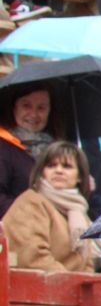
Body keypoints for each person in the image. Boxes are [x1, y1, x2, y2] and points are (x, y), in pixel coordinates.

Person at [2, 141, 101, 272]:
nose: (58, 170)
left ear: (80, 176)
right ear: (42, 173)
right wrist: (69, 285)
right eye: (51, 166)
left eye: (67, 166)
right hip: (36, 287)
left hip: (68, 286)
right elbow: (33, 258)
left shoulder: (78, 211)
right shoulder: (32, 202)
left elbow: (86, 262)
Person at [0, 85, 56, 214]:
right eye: (26, 106)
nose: (34, 114)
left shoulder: (58, 148)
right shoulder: (3, 146)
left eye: (41, 108)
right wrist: (34, 214)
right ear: (14, 108)